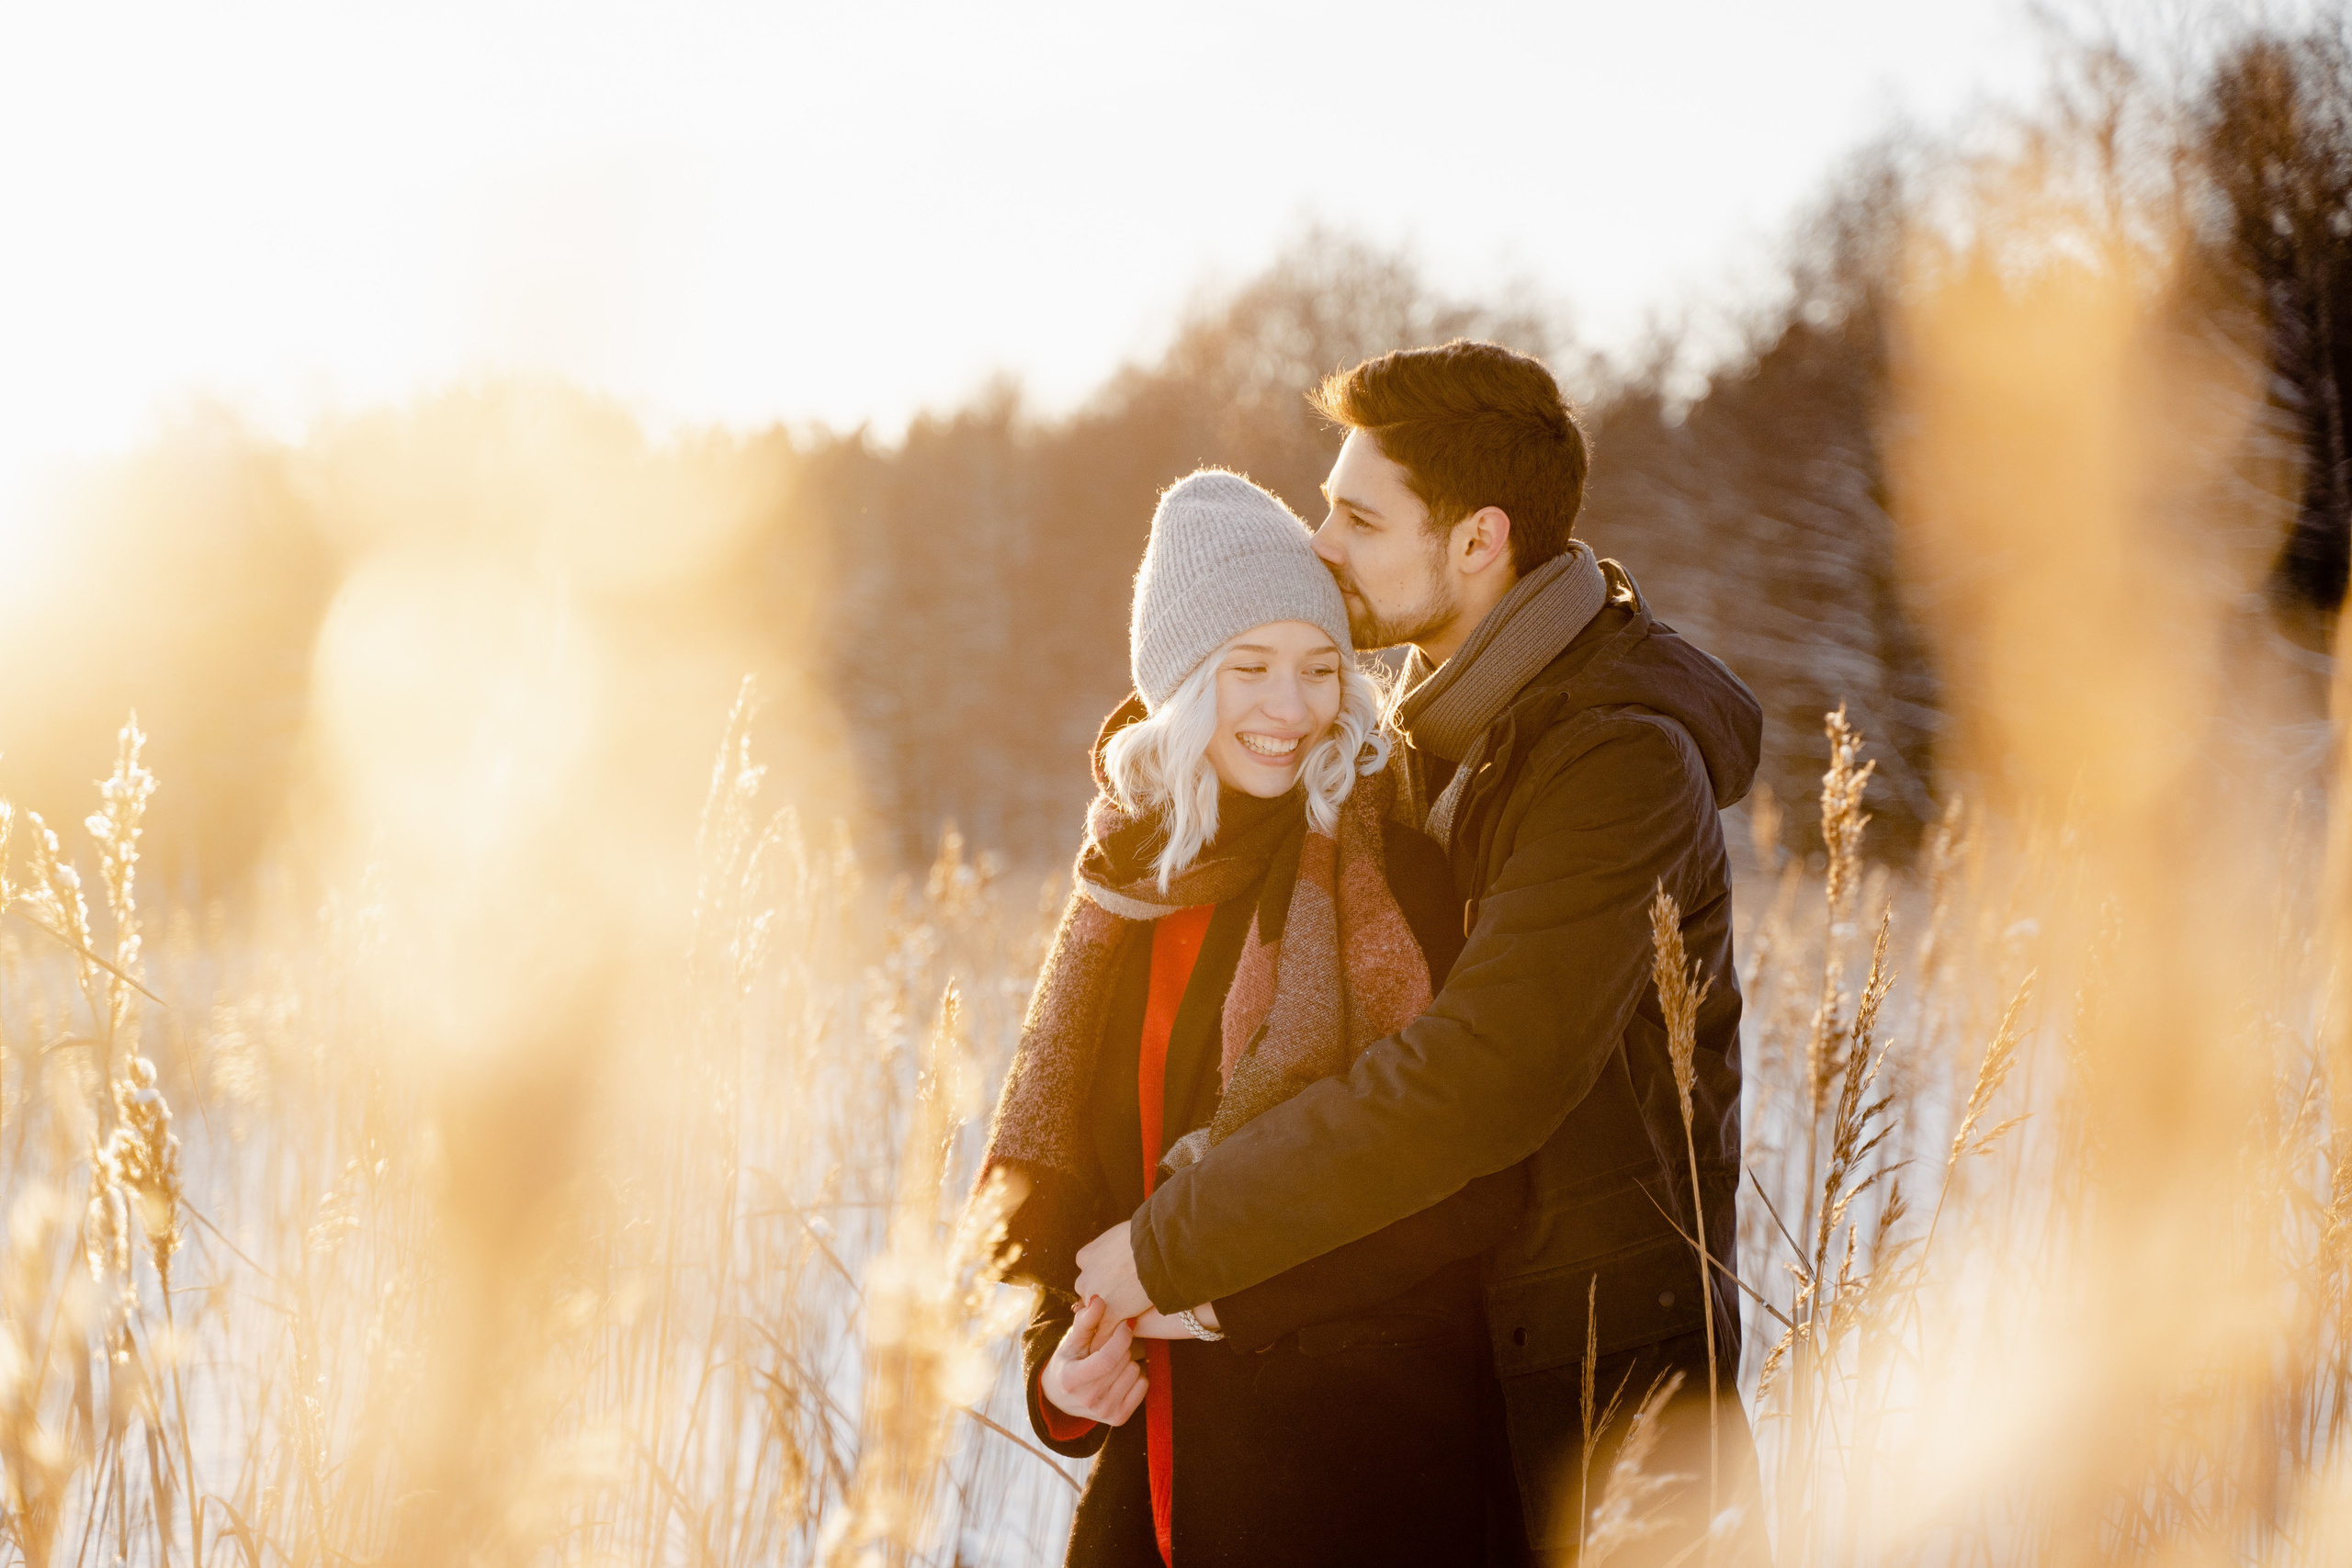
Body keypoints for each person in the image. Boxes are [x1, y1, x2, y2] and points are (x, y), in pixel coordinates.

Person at [1073, 343, 1768, 1564]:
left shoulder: (1614, 758)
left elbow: (1483, 1073)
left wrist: (1176, 1241)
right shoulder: (1433, 739)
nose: (1324, 543)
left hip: (1602, 1395)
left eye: (1357, 514)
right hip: (1466, 1383)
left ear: (1477, 538)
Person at [975, 468, 1526, 1567]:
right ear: (1178, 683)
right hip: (1164, 1488)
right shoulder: (1125, 895)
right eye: (1250, 670)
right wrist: (1062, 1375)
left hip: (1358, 1479)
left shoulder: (1399, 885)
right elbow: (1080, 1200)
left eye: (1320, 670)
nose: (1291, 709)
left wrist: (1216, 1295)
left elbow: (1471, 1192)